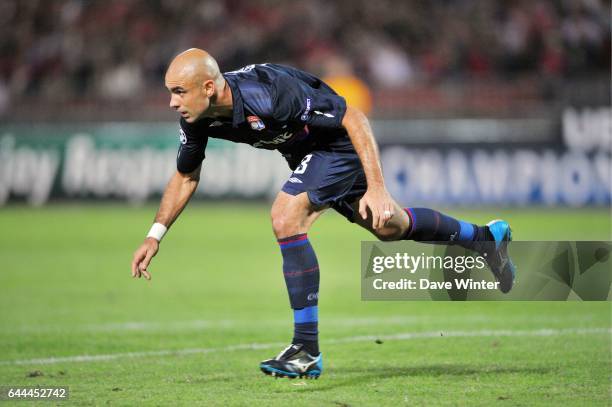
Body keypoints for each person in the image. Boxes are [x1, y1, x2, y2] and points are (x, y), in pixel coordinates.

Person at [130, 48, 515, 380]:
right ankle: (484, 238)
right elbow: (186, 175)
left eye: (178, 92)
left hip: (339, 144)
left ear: (208, 88)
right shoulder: (197, 118)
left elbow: (354, 117)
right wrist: (154, 235)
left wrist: (377, 186)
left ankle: (305, 350)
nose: (172, 103)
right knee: (390, 226)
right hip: (308, 154)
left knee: (285, 216)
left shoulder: (270, 95)